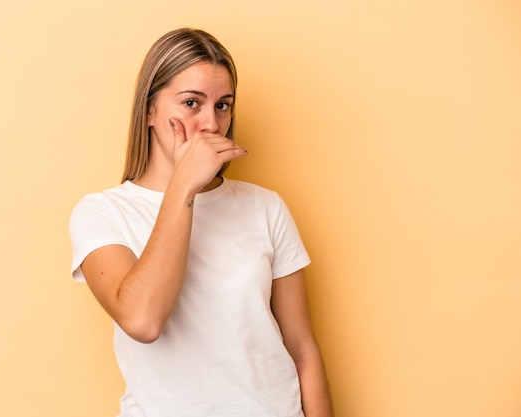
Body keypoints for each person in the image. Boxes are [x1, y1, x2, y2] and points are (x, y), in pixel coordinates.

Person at [69, 28, 333, 417]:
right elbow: (143, 321)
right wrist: (183, 186)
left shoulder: (265, 207)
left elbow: (302, 350)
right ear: (149, 111)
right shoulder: (103, 213)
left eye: (223, 105)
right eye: (192, 102)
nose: (211, 123)